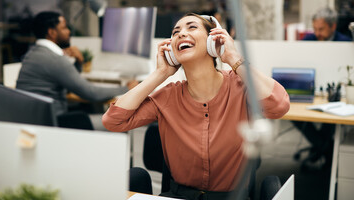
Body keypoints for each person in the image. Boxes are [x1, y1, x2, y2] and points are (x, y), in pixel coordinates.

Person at [102, 13, 290, 199]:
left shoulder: (241, 86)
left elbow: (279, 105)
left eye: (192, 27)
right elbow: (113, 121)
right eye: (176, 32)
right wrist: (160, 74)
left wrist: (233, 58)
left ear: (213, 40)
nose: (181, 34)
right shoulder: (168, 95)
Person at [16, 11, 130, 118]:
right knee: (118, 120)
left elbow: (68, 83)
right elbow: (91, 93)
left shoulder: (32, 54)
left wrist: (78, 62)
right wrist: (127, 88)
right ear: (52, 32)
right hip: (55, 122)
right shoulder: (55, 60)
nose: (69, 31)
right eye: (64, 28)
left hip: (34, 119)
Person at [295, 7, 350, 170]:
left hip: (336, 94)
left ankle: (323, 147)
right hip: (311, 90)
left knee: (331, 118)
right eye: (315, 28)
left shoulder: (345, 44)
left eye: (321, 29)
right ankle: (326, 147)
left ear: (333, 26)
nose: (317, 33)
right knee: (292, 114)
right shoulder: (308, 41)